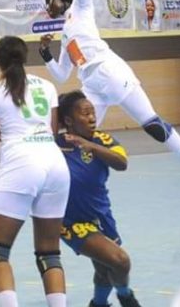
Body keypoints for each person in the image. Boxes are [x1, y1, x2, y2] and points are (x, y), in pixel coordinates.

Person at [39, 0, 180, 200]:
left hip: (110, 72)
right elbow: (62, 75)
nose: (47, 6)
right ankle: (66, 187)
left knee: (152, 125)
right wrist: (45, 54)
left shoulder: (81, 9)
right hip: (92, 87)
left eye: (49, 0)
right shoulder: (65, 36)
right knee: (76, 134)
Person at [0, 36, 70, 307]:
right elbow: (53, 133)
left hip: (21, 164)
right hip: (55, 166)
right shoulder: (48, 87)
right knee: (49, 253)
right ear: (25, 56)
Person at [56, 91, 142, 307]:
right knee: (120, 261)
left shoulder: (102, 140)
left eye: (93, 112)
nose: (92, 117)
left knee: (104, 269)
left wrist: (90, 146)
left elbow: (121, 162)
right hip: (71, 223)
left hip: (101, 216)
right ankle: (126, 296)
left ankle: (98, 304)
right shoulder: (56, 145)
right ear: (68, 120)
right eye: (85, 113)